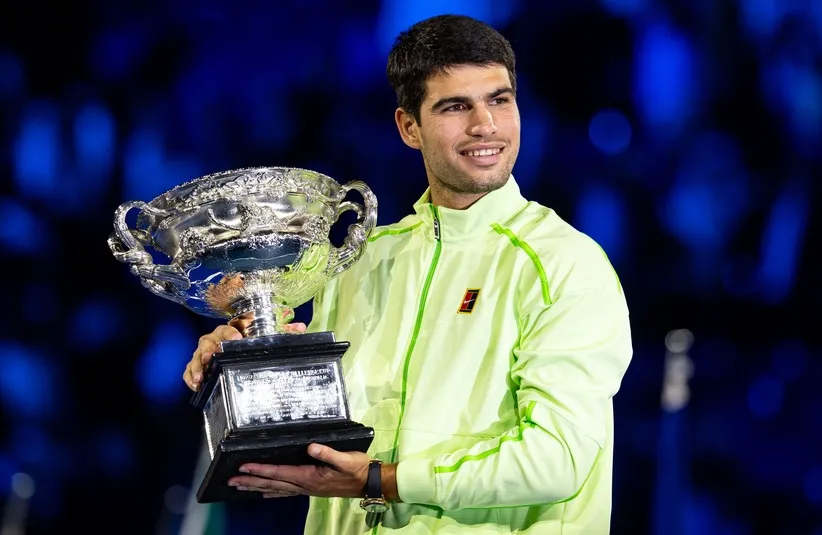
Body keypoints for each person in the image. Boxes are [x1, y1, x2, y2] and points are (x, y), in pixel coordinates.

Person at [183, 13, 633, 535]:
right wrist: (248, 361)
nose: (485, 125)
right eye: (455, 106)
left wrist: (381, 481)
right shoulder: (363, 260)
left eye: (500, 99)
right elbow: (321, 433)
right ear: (408, 127)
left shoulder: (562, 263)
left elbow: (556, 460)